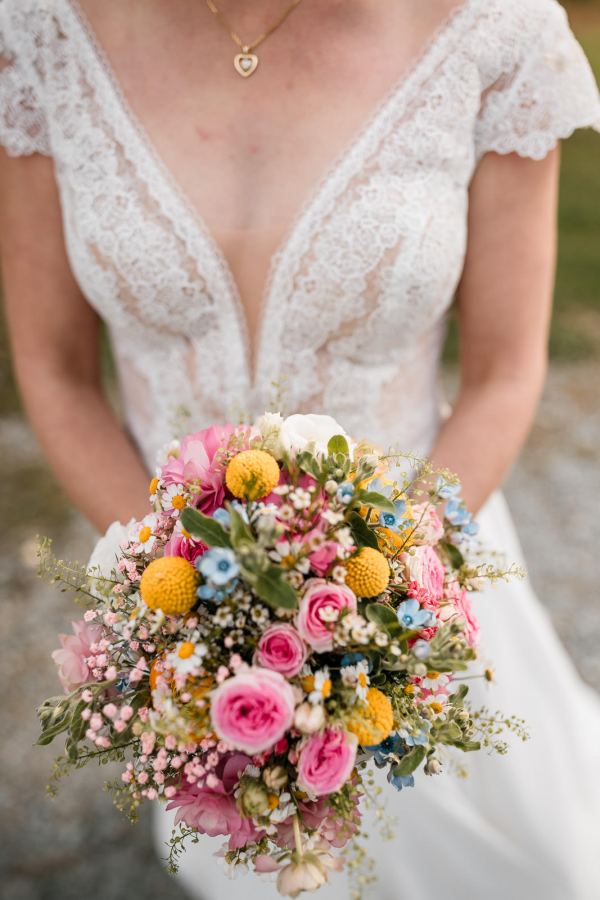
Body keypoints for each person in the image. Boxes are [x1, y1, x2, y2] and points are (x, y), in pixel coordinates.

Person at [1, 0, 600, 897]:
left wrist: (383, 606)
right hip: (183, 626)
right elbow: (55, 373)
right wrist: (184, 612)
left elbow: (505, 373)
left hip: (417, 576)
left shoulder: (496, 30)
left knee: (538, 866)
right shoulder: (41, 34)